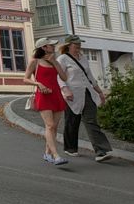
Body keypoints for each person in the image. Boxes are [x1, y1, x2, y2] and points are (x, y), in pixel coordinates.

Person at [57, 35, 113, 162]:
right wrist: (65, 90)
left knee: (91, 121)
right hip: (72, 94)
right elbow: (59, 76)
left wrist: (100, 92)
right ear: (68, 45)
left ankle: (101, 151)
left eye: (79, 44)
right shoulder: (62, 59)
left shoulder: (83, 58)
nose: (78, 46)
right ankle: (70, 148)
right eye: (76, 44)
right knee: (72, 121)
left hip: (87, 92)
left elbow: (90, 76)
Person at [24, 37, 69, 165]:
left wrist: (54, 62)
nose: (53, 47)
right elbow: (25, 79)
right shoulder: (35, 61)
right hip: (43, 95)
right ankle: (56, 156)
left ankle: (47, 153)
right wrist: (38, 84)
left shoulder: (55, 60)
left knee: (54, 127)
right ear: (44, 47)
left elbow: (64, 77)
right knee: (49, 125)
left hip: (56, 95)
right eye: (51, 45)